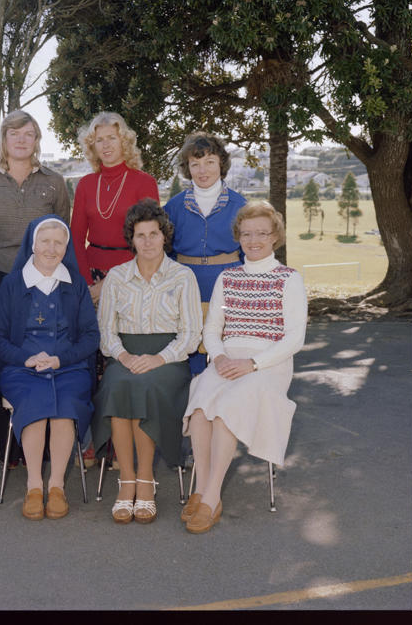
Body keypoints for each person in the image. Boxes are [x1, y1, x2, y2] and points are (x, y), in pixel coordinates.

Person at [180, 201, 307, 534]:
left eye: (262, 233)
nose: (254, 240)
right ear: (238, 237)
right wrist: (218, 356)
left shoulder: (288, 279)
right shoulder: (228, 277)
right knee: (199, 408)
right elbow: (212, 327)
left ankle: (211, 498)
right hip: (227, 360)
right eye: (247, 233)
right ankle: (201, 489)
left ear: (274, 236)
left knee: (225, 411)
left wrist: (253, 364)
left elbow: (295, 337)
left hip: (268, 363)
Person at [0, 109, 71, 462]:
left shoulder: (54, 182)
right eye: (15, 134)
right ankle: (5, 446)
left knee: (41, 352)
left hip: (42, 281)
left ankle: (41, 446)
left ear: (37, 140)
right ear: (4, 140)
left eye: (29, 133)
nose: (22, 140)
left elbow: (62, 232)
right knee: (3, 357)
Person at [91, 198, 202, 524]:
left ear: (164, 236)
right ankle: (127, 482)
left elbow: (191, 334)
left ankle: (145, 481)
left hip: (168, 362)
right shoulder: (116, 276)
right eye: (141, 235)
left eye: (154, 234)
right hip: (124, 357)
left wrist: (158, 358)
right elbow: (106, 330)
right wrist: (123, 355)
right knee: (119, 385)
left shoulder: (183, 277)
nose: (148, 241)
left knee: (144, 387)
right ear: (132, 239)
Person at [0, 215, 100, 520]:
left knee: (66, 407)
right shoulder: (13, 284)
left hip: (68, 366)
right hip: (21, 368)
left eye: (59, 243)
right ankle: (33, 486)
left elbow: (91, 336)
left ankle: (56, 486)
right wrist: (22, 358)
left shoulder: (76, 284)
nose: (51, 249)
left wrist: (61, 359)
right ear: (33, 244)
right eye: (45, 242)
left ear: (66, 248)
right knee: (36, 408)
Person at [71, 111, 160, 466]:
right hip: (90, 277)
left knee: (122, 359)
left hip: (133, 274)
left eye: (112, 138)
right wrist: (85, 285)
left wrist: (113, 281)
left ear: (124, 141)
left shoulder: (143, 181)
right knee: (92, 362)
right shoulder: (85, 185)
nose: (106, 145)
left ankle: (128, 440)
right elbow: (76, 238)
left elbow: (151, 236)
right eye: (99, 139)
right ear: (91, 145)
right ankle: (96, 438)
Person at [164, 131, 246, 376]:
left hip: (227, 281)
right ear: (187, 168)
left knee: (226, 346)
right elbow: (164, 250)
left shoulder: (240, 205)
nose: (203, 170)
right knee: (189, 348)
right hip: (186, 282)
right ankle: (189, 406)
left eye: (209, 162)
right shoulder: (173, 207)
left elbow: (248, 253)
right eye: (195, 164)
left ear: (221, 164)